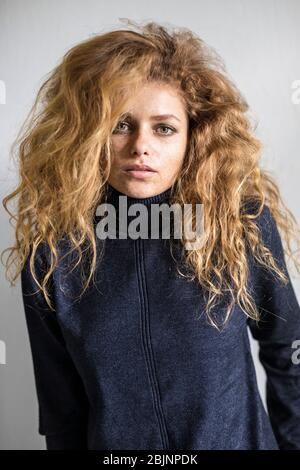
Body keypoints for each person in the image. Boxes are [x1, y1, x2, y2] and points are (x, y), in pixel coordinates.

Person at [2, 19, 300, 450]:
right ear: (88, 134)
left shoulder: (237, 224)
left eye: (164, 128)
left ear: (192, 137)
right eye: (120, 125)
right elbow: (61, 410)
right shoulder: (54, 252)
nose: (141, 145)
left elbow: (289, 352)